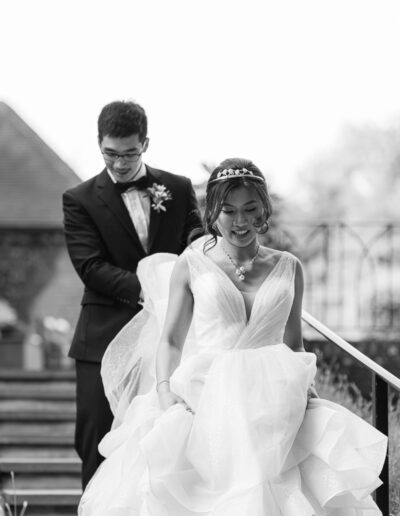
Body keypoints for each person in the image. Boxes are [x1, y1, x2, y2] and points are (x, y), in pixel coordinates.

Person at [79, 158, 387, 515]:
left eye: (250, 209)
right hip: (205, 397)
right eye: (228, 210)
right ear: (213, 212)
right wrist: (165, 392)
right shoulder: (192, 263)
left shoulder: (289, 267)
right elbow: (171, 340)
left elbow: (294, 344)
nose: (240, 221)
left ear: (264, 210)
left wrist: (307, 388)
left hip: (276, 403)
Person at [62, 100, 201, 488]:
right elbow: (89, 266)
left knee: (167, 438)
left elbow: (196, 240)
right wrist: (154, 288)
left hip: (172, 336)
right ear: (98, 143)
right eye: (110, 153)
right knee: (95, 439)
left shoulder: (177, 187)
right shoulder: (80, 198)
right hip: (102, 338)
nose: (120, 164)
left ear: (146, 143)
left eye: (129, 153)